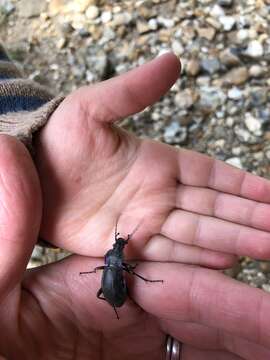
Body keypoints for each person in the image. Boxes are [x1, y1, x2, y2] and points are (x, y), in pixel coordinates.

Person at [0, 45, 270, 359]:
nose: (119, 248)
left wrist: (33, 149)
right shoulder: (114, 262)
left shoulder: (114, 262)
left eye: (117, 248)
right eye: (119, 248)